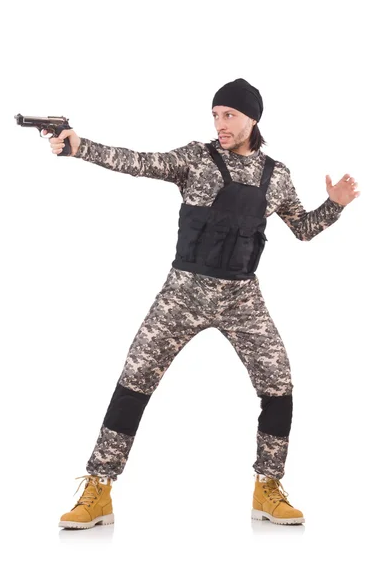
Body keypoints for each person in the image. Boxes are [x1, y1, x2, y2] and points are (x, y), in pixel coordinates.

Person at [48, 78, 360, 529]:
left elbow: (304, 228)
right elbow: (139, 162)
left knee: (279, 385)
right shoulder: (196, 158)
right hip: (183, 294)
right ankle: (98, 490)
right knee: (135, 379)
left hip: (242, 298)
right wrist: (80, 147)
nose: (220, 124)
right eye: (215, 114)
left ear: (253, 118)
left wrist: (334, 206)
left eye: (229, 115)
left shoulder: (279, 175)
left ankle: (267, 488)